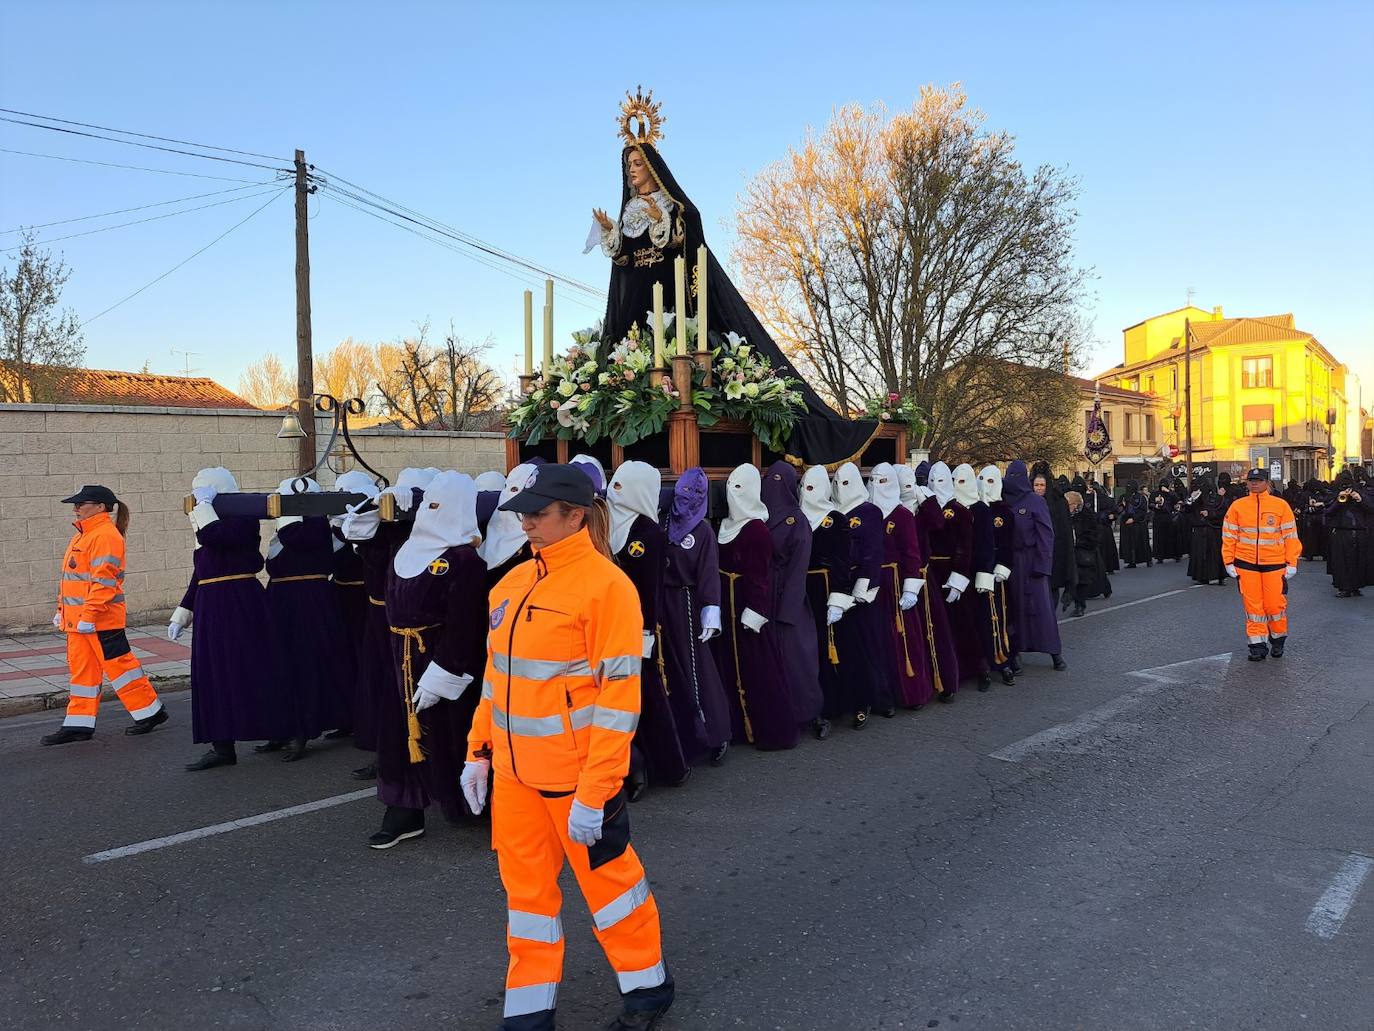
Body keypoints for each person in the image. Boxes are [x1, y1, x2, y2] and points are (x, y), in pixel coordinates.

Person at [461, 463, 675, 1031]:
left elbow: (619, 700)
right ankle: (528, 1013)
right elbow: (495, 678)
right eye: (523, 512)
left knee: (613, 890)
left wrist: (597, 790)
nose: (525, 522)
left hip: (576, 778)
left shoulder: (607, 588)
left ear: (575, 515)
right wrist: (477, 752)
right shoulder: (510, 585)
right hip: (514, 779)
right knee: (526, 900)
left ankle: (648, 991)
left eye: (538, 513)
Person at [176, 467, 295, 771]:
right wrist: (184, 609)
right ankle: (221, 745)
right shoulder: (208, 520)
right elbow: (202, 570)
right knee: (212, 674)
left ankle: (280, 729)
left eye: (203, 490)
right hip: (210, 605)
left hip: (239, 601)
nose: (197, 497)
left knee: (253, 669)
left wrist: (203, 509)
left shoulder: (241, 517)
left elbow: (214, 536)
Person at [42, 485, 166, 746]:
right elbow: (72, 581)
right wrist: (61, 611)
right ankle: (79, 725)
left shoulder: (104, 535)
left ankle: (150, 712)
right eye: (75, 505)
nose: (75, 509)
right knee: (82, 676)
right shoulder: (83, 535)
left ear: (100, 507)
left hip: (100, 621)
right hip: (79, 623)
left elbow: (104, 583)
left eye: (81, 504)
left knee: (121, 668)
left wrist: (89, 615)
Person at [257, 476, 353, 762]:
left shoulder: (314, 526)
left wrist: (289, 514)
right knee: (280, 666)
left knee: (305, 665)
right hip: (283, 599)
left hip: (307, 600)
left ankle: (302, 729)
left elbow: (295, 539)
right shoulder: (297, 525)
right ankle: (283, 727)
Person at [607, 461, 688, 793]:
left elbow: (651, 588)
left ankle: (654, 766)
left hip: (637, 628)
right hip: (604, 625)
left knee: (644, 698)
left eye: (624, 485)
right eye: (615, 483)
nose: (616, 491)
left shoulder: (649, 533)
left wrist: (645, 636)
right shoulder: (600, 521)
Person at [711, 464, 800, 750]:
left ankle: (770, 730)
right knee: (728, 663)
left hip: (748, 607)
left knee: (758, 667)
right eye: (730, 487)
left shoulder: (756, 529)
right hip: (727, 602)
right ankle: (736, 725)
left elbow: (760, 575)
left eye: (739, 488)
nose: (733, 494)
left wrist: (757, 610)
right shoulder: (724, 525)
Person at [658, 468, 732, 764]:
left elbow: (707, 572)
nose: (685, 500)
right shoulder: (662, 521)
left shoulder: (702, 531)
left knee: (696, 666)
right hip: (661, 601)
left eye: (693, 494)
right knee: (668, 668)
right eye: (681, 493)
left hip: (686, 604)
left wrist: (710, 610)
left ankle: (714, 732)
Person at [760, 461, 828, 737]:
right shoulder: (758, 515)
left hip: (789, 599)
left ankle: (810, 712)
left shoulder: (797, 520)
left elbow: (798, 568)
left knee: (797, 658)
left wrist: (788, 610)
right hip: (765, 593)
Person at [832, 462, 896, 722]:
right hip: (838, 586)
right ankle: (854, 697)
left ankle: (878, 697)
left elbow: (873, 551)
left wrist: (863, 586)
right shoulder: (833, 511)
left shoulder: (869, 511)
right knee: (846, 647)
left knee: (868, 644)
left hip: (861, 589)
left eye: (845, 483)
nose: (840, 488)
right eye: (836, 483)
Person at [868, 463, 935, 706]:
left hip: (896, 584)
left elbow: (912, 552)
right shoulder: (868, 512)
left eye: (883, 481)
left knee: (904, 638)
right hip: (875, 583)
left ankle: (911, 691)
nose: (877, 486)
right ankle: (882, 695)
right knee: (878, 639)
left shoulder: (902, 515)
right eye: (873, 480)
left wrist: (910, 587)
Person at [798, 466, 860, 729]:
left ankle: (852, 701)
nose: (807, 493)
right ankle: (820, 706)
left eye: (813, 487)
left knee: (837, 646)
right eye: (804, 487)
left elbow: (842, 560)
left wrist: (838, 596)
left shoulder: (834, 519)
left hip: (826, 587)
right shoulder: (799, 518)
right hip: (803, 588)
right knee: (811, 649)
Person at [1222, 468, 1302, 661]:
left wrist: (1292, 562)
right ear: (1247, 483)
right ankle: (1257, 646)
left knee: (1275, 606)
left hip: (1275, 563)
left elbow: (1290, 537)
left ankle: (1278, 639)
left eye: (1258, 480)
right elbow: (1229, 535)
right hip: (1246, 563)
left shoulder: (1281, 506)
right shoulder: (1237, 506)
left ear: (1267, 482)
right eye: (1251, 480)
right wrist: (1228, 561)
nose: (1254, 483)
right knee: (1253, 608)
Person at [1002, 461, 1066, 672]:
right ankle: (1015, 651)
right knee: (1013, 609)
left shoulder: (1034, 501)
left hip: (1031, 561)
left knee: (1041, 609)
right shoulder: (1002, 500)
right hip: (1011, 563)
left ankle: (1054, 652)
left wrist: (1043, 565)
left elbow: (1046, 535)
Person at [914, 462, 967, 698]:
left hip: (948, 571)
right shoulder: (924, 507)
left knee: (955, 625)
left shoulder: (960, 511)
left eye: (941, 481)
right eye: (932, 481)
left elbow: (965, 547)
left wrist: (958, 579)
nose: (936, 485)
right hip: (928, 571)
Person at [1323, 473, 1369, 598]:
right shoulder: (1334, 494)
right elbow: (1328, 512)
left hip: (1358, 532)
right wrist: (1339, 501)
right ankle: (1344, 587)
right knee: (1341, 562)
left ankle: (1356, 586)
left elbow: (1370, 509)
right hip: (1341, 532)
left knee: (1358, 562)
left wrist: (1360, 499)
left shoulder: (1361, 493)